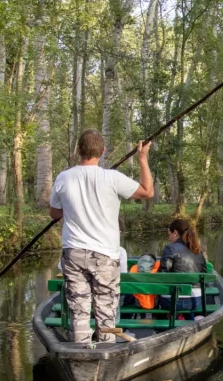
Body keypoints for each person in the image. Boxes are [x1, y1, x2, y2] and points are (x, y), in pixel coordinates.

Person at [49, 130, 153, 345]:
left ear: (78, 150)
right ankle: (106, 349)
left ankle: (80, 351)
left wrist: (72, 209)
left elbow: (55, 213)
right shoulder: (112, 178)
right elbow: (147, 192)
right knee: (107, 309)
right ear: (103, 151)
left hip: (74, 254)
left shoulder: (63, 177)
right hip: (105, 256)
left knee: (79, 309)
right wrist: (142, 158)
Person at [159, 218, 207, 314]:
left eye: (169, 234)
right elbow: (204, 273)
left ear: (175, 233)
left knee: (156, 297)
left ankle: (161, 327)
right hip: (196, 301)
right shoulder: (198, 250)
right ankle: (194, 318)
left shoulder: (170, 248)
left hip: (173, 302)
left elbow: (162, 276)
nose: (169, 238)